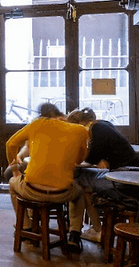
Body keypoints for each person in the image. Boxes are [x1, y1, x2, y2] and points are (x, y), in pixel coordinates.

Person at [6, 108, 88, 253]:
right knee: (80, 193)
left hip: (32, 190)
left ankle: (26, 226)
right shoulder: (80, 130)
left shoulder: (37, 124)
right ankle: (74, 235)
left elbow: (10, 144)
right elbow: (80, 160)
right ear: (63, 117)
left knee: (13, 183)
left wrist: (15, 169)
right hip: (62, 193)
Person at [66, 108, 139, 236]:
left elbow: (91, 156)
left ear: (79, 125)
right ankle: (96, 228)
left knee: (79, 180)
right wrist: (100, 158)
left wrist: (92, 156)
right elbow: (100, 152)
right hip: (130, 176)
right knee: (83, 182)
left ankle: (92, 230)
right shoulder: (103, 125)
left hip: (124, 182)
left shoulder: (97, 129)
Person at [3, 103, 65, 182]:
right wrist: (18, 157)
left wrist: (15, 168)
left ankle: (27, 191)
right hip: (40, 166)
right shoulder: (37, 124)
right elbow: (26, 146)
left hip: (53, 167)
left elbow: (11, 144)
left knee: (9, 173)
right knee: (9, 172)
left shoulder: (65, 125)